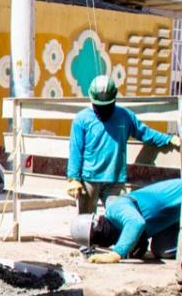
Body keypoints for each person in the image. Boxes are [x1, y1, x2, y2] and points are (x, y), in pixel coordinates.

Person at [66, 75, 178, 214]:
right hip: (89, 180)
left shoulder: (125, 116)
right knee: (85, 223)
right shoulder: (82, 119)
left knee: (117, 219)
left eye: (106, 106)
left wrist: (168, 139)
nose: (103, 109)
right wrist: (73, 178)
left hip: (114, 182)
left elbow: (145, 133)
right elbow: (76, 150)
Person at [70, 179, 182, 265]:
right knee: (163, 251)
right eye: (96, 241)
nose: (100, 242)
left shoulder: (114, 208)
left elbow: (136, 223)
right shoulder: (119, 228)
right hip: (172, 216)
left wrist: (117, 253)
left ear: (97, 222)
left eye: (96, 236)